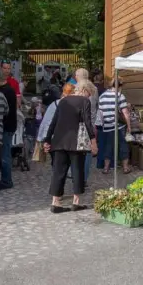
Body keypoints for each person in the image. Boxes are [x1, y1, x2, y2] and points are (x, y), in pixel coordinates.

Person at [44, 80, 97, 213]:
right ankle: (76, 201)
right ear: (85, 90)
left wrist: (47, 140)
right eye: (89, 94)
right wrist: (93, 140)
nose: (89, 97)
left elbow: (54, 122)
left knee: (58, 171)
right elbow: (87, 122)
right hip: (76, 142)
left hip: (59, 140)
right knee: (77, 169)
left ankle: (55, 202)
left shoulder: (63, 101)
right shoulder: (85, 101)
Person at [99, 81, 133, 174]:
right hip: (119, 126)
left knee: (108, 146)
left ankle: (106, 168)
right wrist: (129, 126)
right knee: (123, 145)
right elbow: (125, 113)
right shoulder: (119, 96)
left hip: (107, 125)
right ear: (120, 86)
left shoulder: (102, 96)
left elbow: (101, 113)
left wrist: (104, 124)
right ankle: (125, 168)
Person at [0, 75, 18, 189]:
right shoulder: (9, 89)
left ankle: (6, 180)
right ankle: (6, 179)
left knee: (5, 154)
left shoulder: (4, 91)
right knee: (5, 153)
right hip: (9, 125)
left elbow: (5, 111)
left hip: (6, 126)